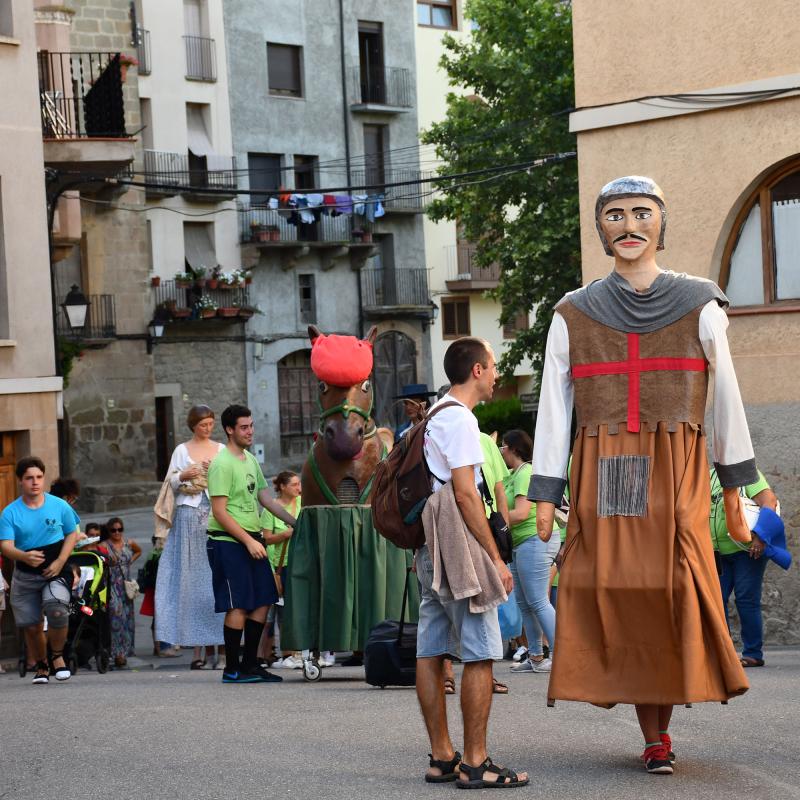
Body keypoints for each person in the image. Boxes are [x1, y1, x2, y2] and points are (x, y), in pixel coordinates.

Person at [530, 176, 756, 775]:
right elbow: (554, 408)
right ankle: (655, 736)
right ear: (601, 228)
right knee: (625, 595)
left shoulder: (701, 303)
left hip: (676, 466)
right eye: (614, 215)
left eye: (642, 212)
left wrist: (736, 488)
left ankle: (665, 722)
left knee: (675, 590)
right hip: (608, 467)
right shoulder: (573, 312)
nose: (628, 226)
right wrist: (546, 494)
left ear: (661, 221)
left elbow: (727, 398)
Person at [416, 338, 527, 788]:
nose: (498, 373)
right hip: (457, 542)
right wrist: (495, 558)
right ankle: (476, 764)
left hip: (429, 544)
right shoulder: (460, 420)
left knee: (431, 647)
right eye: (494, 366)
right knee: (481, 650)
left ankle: (442, 757)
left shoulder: (431, 416)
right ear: (477, 371)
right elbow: (465, 494)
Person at [206, 404, 297, 684]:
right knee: (239, 605)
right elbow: (219, 511)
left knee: (264, 600)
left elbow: (266, 499)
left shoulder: (249, 460)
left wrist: (295, 522)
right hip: (228, 541)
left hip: (251, 538)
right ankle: (231, 669)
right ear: (230, 430)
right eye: (244, 427)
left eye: (251, 425)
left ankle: (250, 665)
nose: (250, 431)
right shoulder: (222, 464)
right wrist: (247, 541)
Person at [155, 404, 226, 669]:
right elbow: (171, 482)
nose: (207, 429)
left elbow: (228, 480)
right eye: (202, 425)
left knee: (212, 582)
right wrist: (183, 475)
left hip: (213, 514)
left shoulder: (220, 450)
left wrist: (213, 471)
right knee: (191, 583)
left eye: (210, 424)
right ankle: (197, 650)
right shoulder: (181, 450)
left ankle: (218, 649)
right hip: (188, 516)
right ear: (193, 426)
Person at [0, 457, 80, 684]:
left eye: (39, 477)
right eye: (29, 478)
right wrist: (23, 556)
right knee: (32, 624)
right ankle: (42, 665)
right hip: (25, 573)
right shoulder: (10, 512)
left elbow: (71, 533)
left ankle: (57, 658)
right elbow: (5, 545)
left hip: (55, 570)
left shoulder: (59, 505)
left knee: (57, 610)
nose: (35, 482)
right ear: (20, 481)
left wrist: (60, 561)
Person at [443, 431, 510, 695]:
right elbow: (494, 492)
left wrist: (503, 536)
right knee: (469, 605)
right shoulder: (463, 435)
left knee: (459, 605)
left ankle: (468, 675)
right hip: (469, 530)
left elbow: (498, 489)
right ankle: (462, 674)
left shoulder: (478, 439)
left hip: (476, 529)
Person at [501, 430, 559, 674]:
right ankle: (536, 656)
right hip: (523, 543)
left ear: (514, 449)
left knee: (537, 600)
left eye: (503, 447)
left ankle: (563, 656)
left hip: (535, 539)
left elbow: (522, 512)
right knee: (525, 603)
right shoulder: (514, 474)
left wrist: (491, 521)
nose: (501, 451)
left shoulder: (525, 472)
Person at [710, 466, 779, 667]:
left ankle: (752, 653)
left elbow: (769, 502)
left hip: (747, 550)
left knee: (746, 600)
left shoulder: (747, 472)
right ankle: (724, 653)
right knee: (715, 600)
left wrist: (761, 536)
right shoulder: (708, 475)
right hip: (717, 552)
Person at [259, 471, 308, 669]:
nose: (299, 488)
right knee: (272, 610)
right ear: (283, 487)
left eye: (299, 484)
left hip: (299, 563)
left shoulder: (302, 504)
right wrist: (286, 534)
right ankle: (266, 653)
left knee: (293, 609)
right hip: (277, 565)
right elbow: (266, 538)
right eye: (294, 485)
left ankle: (291, 651)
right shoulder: (270, 509)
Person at [100, 516, 141, 668]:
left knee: (128, 620)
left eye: (120, 529)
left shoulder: (128, 543)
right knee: (117, 618)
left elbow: (138, 551)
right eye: (113, 530)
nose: (117, 533)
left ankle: (124, 652)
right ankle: (118, 653)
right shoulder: (104, 545)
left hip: (125, 585)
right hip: (111, 585)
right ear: (109, 531)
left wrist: (130, 561)